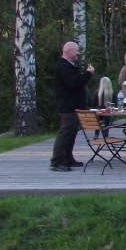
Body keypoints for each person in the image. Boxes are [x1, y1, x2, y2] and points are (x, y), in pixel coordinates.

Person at [50, 41, 95, 171]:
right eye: (76, 51)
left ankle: (67, 158)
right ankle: (56, 161)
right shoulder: (63, 66)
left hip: (73, 106)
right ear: (68, 51)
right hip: (68, 106)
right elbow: (74, 83)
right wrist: (88, 74)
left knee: (71, 133)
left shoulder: (68, 65)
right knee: (65, 133)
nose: (78, 53)